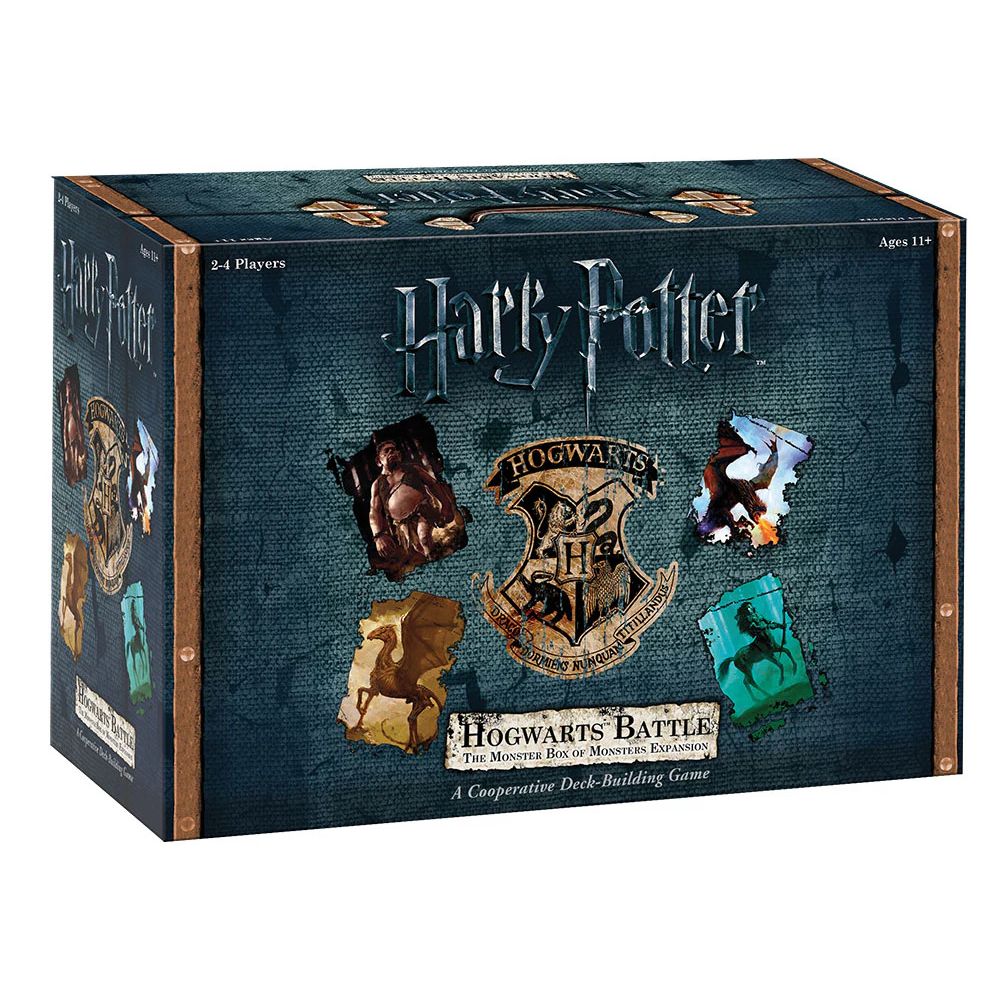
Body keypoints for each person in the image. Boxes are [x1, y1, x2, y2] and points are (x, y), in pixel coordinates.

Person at [369, 440, 456, 561]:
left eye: (394, 450)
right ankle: (441, 557)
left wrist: (446, 504)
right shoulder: (377, 485)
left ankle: (438, 562)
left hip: (424, 511)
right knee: (419, 547)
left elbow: (433, 484)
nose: (392, 452)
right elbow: (374, 511)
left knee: (424, 538)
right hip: (403, 523)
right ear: (379, 461)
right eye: (387, 451)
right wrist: (378, 535)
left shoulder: (413, 469)